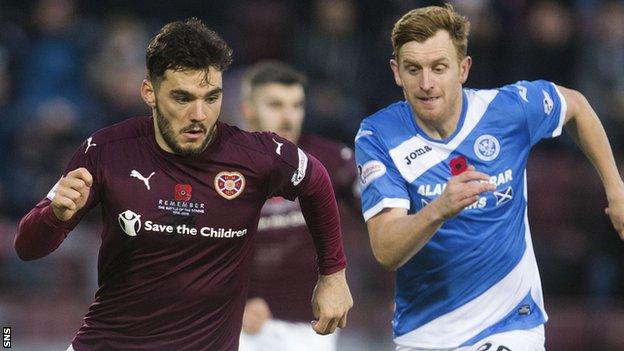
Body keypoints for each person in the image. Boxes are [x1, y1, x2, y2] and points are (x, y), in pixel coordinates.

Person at [14, 19, 353, 351]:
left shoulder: (255, 156)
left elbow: (316, 181)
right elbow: (27, 248)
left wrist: (333, 274)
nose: (199, 114)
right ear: (150, 92)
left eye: (211, 97)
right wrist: (55, 216)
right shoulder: (104, 151)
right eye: (182, 98)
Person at [354, 4, 624, 351]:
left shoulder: (507, 110)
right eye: (413, 69)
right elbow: (386, 250)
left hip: (511, 324)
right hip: (425, 334)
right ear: (396, 72)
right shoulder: (379, 136)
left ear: (463, 68)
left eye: (439, 68)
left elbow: (575, 106)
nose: (426, 83)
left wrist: (615, 189)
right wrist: (440, 208)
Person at [237, 61, 358, 351]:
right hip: (238, 325)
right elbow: (187, 249)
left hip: (311, 329)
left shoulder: (332, 161)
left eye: (297, 105)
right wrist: (229, 303)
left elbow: (383, 219)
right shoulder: (221, 168)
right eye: (276, 105)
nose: (289, 117)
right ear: (248, 110)